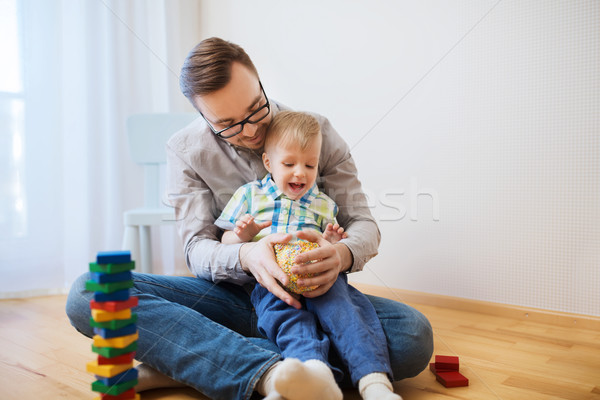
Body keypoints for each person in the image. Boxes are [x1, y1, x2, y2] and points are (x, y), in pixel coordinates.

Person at [65, 37, 433, 400]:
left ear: (260, 82)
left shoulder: (314, 132)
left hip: (312, 295)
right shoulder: (185, 151)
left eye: (257, 108)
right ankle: (272, 374)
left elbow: (362, 223)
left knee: (412, 336)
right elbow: (196, 249)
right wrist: (247, 255)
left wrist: (341, 255)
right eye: (229, 124)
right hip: (231, 296)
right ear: (203, 116)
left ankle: (196, 360)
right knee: (93, 292)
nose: (253, 130)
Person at [216, 110, 401, 400]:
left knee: (346, 313)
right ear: (268, 162)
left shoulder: (324, 204)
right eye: (288, 163)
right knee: (287, 320)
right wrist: (243, 234)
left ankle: (374, 382)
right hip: (271, 281)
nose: (300, 172)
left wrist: (331, 241)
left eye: (310, 165)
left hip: (320, 278)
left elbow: (331, 244)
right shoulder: (249, 196)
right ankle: (311, 376)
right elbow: (225, 242)